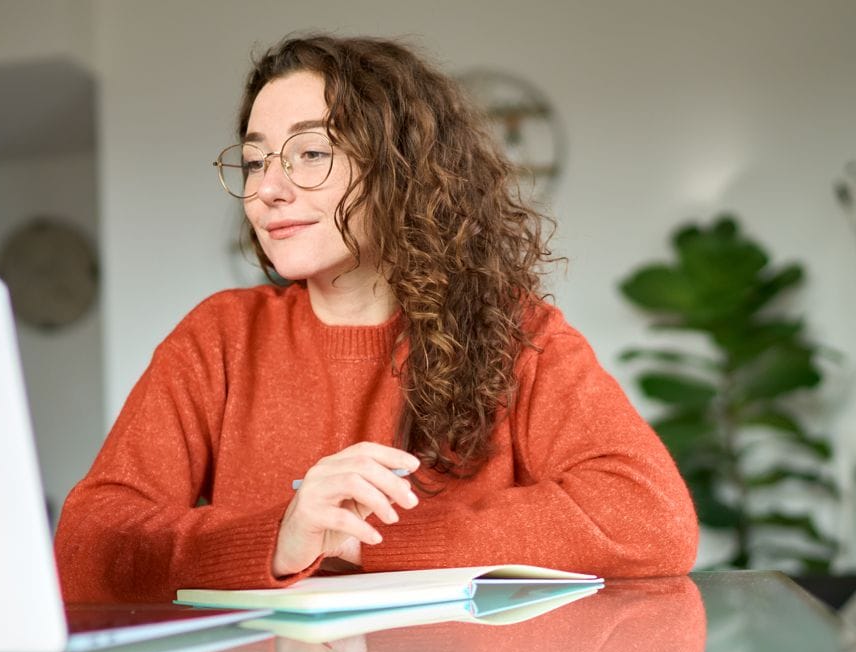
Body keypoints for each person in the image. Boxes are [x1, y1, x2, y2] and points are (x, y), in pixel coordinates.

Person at [54, 34, 697, 605]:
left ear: (402, 169)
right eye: (255, 160)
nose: (269, 188)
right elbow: (87, 548)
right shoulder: (219, 338)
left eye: (310, 153)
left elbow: (652, 517)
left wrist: (366, 539)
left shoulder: (520, 333)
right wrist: (282, 536)